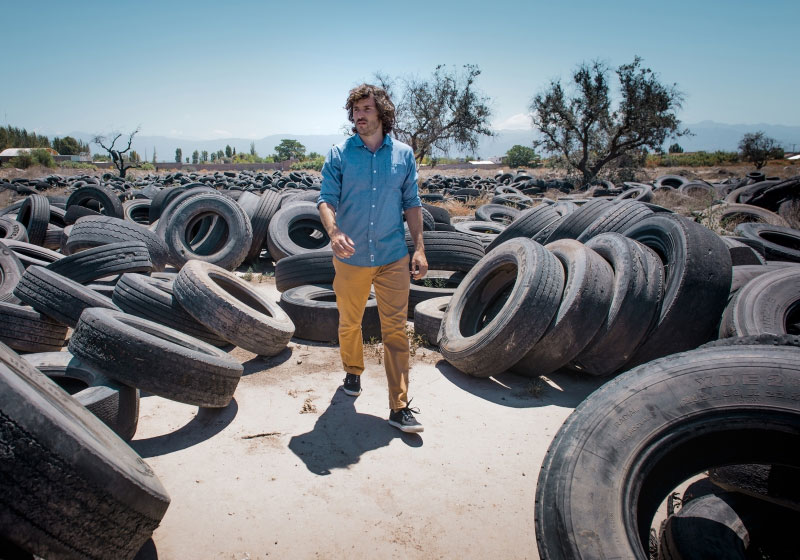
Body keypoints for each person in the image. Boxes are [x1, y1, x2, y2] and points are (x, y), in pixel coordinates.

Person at [317, 83, 428, 434]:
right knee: (350, 322)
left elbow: (412, 203)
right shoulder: (339, 154)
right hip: (351, 257)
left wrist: (420, 248)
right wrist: (334, 232)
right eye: (354, 110)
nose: (358, 115)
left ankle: (399, 406)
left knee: (395, 329)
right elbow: (325, 199)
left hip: (392, 254)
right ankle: (353, 369)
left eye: (365, 108)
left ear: (381, 112)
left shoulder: (403, 155)